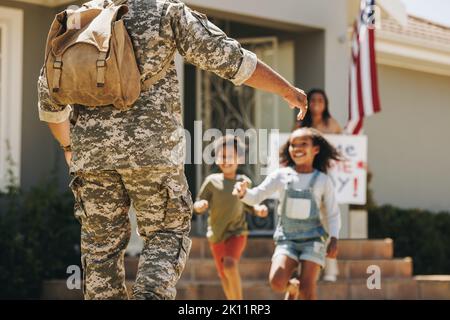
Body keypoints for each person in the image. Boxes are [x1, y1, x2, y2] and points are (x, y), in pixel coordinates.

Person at [37, 0, 308, 300]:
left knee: (100, 247)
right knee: (166, 233)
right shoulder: (164, 11)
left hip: (91, 158)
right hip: (152, 155)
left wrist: (68, 146)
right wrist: (286, 89)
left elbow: (50, 101)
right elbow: (230, 58)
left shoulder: (80, 20)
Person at [233, 128, 341, 300]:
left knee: (307, 291)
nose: (297, 148)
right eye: (293, 144)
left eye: (303, 144)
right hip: (287, 239)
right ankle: (292, 289)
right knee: (276, 282)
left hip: (313, 240)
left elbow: (333, 214)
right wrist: (243, 193)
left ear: (316, 149)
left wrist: (334, 238)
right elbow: (256, 196)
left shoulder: (323, 180)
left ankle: (301, 289)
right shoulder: (281, 176)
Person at [193, 135, 268, 300]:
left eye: (230, 156)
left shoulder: (243, 182)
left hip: (237, 232)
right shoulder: (212, 181)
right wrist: (199, 206)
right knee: (224, 275)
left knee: (230, 265)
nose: (225, 160)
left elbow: (250, 203)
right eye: (221, 156)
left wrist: (259, 209)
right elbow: (199, 202)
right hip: (216, 234)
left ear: (240, 159)